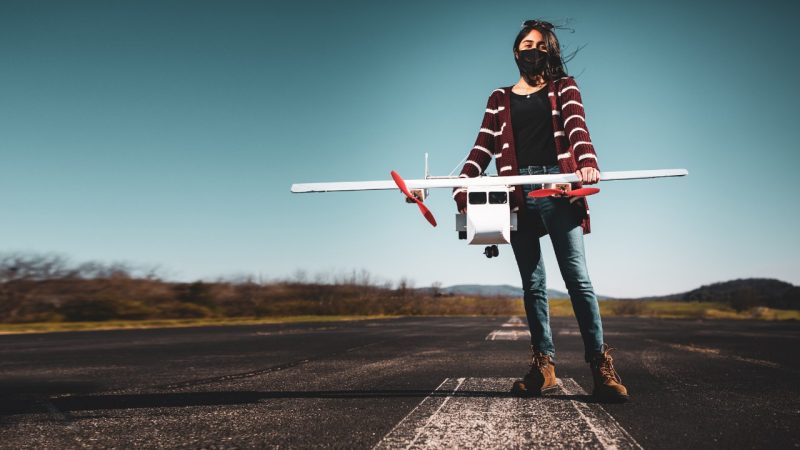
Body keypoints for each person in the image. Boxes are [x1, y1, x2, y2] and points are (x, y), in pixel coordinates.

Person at [452, 19, 628, 402]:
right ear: (516, 50)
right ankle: (544, 366)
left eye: (541, 46)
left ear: (550, 52)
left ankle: (600, 366)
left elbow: (577, 128)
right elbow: (482, 148)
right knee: (532, 285)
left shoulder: (564, 88)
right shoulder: (498, 98)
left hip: (557, 186)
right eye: (527, 44)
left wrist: (586, 162)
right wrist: (461, 182)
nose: (533, 50)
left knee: (577, 279)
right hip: (515, 191)